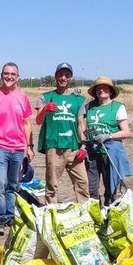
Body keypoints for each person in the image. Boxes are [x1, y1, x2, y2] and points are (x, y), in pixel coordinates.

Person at [0, 63, 34, 233]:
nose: (9, 77)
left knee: (13, 184)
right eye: (6, 73)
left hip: (18, 148)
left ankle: (10, 216)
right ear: (1, 75)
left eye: (13, 74)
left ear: (17, 77)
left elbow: (26, 123)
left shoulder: (22, 97)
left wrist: (29, 146)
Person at [36, 62, 90, 205]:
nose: (63, 78)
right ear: (55, 77)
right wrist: (45, 109)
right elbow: (38, 121)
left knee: (82, 183)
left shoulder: (78, 100)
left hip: (74, 147)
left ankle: (85, 212)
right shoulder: (45, 97)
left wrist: (83, 146)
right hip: (54, 146)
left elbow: (81, 124)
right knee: (52, 185)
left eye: (66, 75)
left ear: (70, 77)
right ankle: (51, 214)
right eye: (60, 75)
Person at [78, 76, 132, 205]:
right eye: (98, 88)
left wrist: (108, 136)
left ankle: (109, 210)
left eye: (105, 87)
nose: (101, 90)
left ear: (111, 90)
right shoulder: (88, 106)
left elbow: (126, 132)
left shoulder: (117, 107)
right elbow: (81, 124)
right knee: (92, 186)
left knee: (110, 185)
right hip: (92, 151)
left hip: (110, 151)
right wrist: (84, 143)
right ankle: (95, 212)